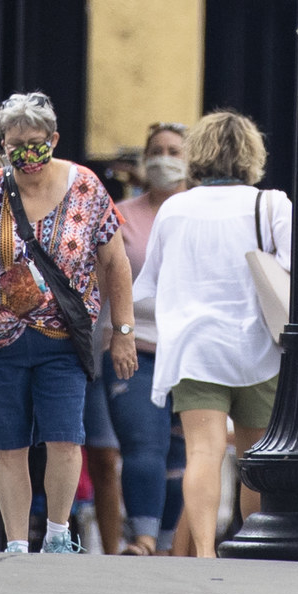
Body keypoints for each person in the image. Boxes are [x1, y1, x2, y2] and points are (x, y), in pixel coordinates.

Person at [0, 92, 136, 554]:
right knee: (9, 446)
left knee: (65, 437)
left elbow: (117, 262)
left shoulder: (85, 187)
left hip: (63, 339)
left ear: (54, 140)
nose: (27, 154)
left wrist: (122, 331)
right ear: (2, 145)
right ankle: (15, 542)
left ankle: (58, 534)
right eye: (15, 144)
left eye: (36, 143)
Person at [139, 110, 289, 556]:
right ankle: (252, 544)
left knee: (202, 453)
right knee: (255, 460)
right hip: (257, 348)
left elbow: (147, 285)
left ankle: (204, 552)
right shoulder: (272, 204)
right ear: (251, 153)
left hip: (195, 348)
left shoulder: (175, 208)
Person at [105, 122, 190, 552]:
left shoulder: (198, 212)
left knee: (181, 458)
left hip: (192, 352)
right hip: (135, 348)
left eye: (174, 151)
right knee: (143, 443)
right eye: (156, 149)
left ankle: (168, 540)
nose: (164, 157)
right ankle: (142, 538)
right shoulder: (121, 216)